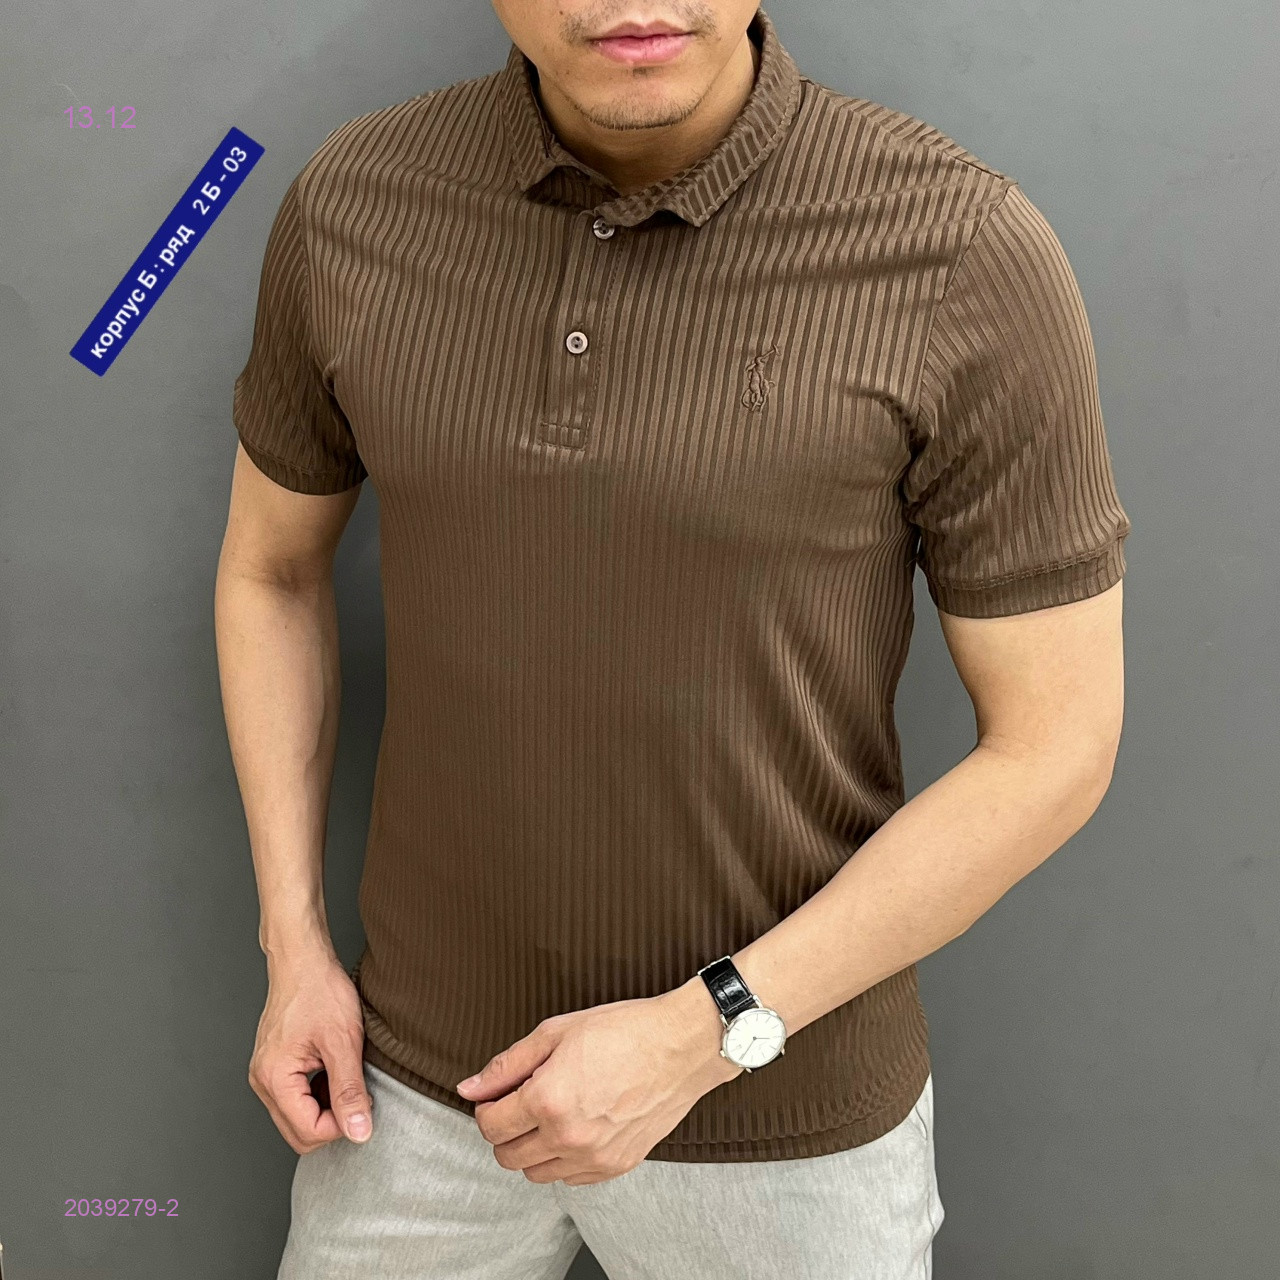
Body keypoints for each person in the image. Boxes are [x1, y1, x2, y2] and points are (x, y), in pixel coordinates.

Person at [215, 3, 1130, 1276]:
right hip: (411, 1095)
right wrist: (294, 944)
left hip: (785, 1122)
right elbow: (268, 570)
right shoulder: (351, 205)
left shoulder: (959, 247)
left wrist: (707, 1032)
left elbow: (1053, 746)